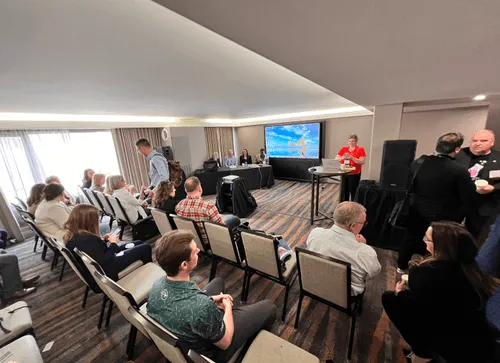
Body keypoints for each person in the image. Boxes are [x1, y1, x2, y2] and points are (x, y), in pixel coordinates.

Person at [147, 230, 277, 362]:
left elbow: (183, 305)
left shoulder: (157, 286)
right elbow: (225, 342)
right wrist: (227, 308)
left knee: (218, 281)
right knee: (269, 307)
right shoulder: (202, 307)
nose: (198, 250)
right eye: (194, 251)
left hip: (183, 332)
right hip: (207, 354)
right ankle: (252, 346)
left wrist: (210, 300)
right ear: (184, 265)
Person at [382, 222, 499, 363]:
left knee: (389, 298)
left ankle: (422, 352)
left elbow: (417, 309)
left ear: (442, 247)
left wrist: (400, 292)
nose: (423, 240)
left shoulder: (425, 274)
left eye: (427, 239)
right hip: (479, 340)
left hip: (447, 342)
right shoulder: (475, 273)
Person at [397, 132, 477, 272]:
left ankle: (401, 265)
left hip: (415, 210)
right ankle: (429, 271)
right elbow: (468, 198)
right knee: (437, 244)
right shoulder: (459, 170)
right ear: (457, 149)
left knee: (410, 238)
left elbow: (408, 185)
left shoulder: (418, 162)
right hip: (442, 216)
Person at [306, 202, 381, 295]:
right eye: (364, 222)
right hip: (344, 295)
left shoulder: (315, 234)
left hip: (315, 283)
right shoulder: (366, 253)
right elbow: (374, 273)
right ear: (353, 226)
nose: (364, 224)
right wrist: (363, 246)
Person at [65, 204, 152, 281]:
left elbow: (94, 251)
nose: (98, 221)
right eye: (97, 219)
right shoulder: (88, 239)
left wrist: (104, 240)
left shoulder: (75, 235)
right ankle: (149, 274)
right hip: (109, 269)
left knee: (138, 242)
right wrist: (113, 243)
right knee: (146, 247)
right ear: (88, 221)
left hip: (104, 264)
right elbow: (105, 259)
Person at [456, 130, 500, 240]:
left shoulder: (498, 158)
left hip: (484, 206)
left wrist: (493, 188)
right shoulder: (460, 154)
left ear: (492, 142)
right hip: (459, 203)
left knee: (478, 237)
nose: (478, 143)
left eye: (483, 141)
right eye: (475, 140)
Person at [175, 177, 240, 247]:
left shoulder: (179, 205)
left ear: (185, 190)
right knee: (235, 219)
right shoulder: (208, 207)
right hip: (207, 241)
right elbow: (222, 227)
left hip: (189, 240)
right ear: (200, 188)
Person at [335, 134, 366, 202]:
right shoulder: (344, 149)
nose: (351, 143)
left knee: (353, 191)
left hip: (354, 173)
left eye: (353, 141)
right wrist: (343, 157)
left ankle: (353, 207)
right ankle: (343, 206)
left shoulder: (360, 149)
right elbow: (336, 159)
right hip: (344, 173)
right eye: (350, 141)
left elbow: (362, 161)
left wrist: (352, 158)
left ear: (356, 141)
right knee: (344, 191)